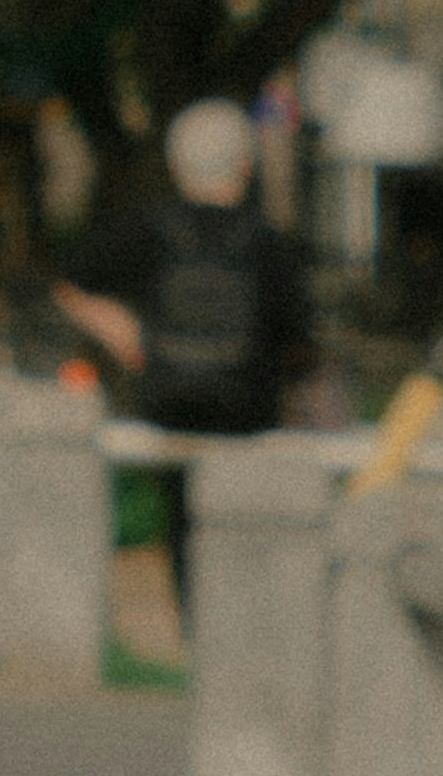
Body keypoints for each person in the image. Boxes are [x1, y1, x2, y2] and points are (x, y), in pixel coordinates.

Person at [55, 95, 317, 616]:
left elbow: (70, 281)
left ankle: (196, 630)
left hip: (171, 406)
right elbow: (300, 342)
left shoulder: (150, 230)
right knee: (247, 529)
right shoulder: (269, 243)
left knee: (183, 525)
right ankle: (240, 631)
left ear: (176, 165)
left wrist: (126, 333)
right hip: (248, 414)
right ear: (247, 165)